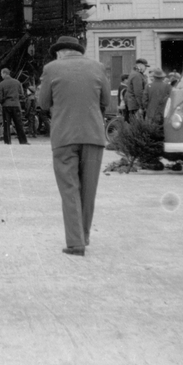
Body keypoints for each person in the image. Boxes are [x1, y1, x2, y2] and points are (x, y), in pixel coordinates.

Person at [37, 35, 114, 256]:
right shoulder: (97, 67)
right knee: (89, 190)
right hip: (93, 136)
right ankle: (84, 236)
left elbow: (43, 103)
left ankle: (75, 242)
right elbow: (106, 102)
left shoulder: (51, 68)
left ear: (60, 52)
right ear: (79, 51)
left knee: (70, 189)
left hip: (64, 137)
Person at [0, 68, 29, 145]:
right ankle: (23, 141)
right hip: (16, 105)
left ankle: (7, 142)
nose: (1, 75)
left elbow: (0, 97)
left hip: (6, 106)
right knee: (19, 123)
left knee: (6, 124)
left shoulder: (1, 84)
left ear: (4, 73)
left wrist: (3, 101)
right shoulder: (17, 82)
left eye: (1, 74)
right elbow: (21, 94)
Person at [123, 59, 149, 123]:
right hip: (135, 105)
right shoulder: (137, 75)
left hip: (133, 103)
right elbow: (138, 93)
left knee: (133, 123)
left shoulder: (135, 73)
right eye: (145, 66)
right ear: (140, 65)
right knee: (137, 124)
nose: (146, 68)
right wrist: (141, 107)